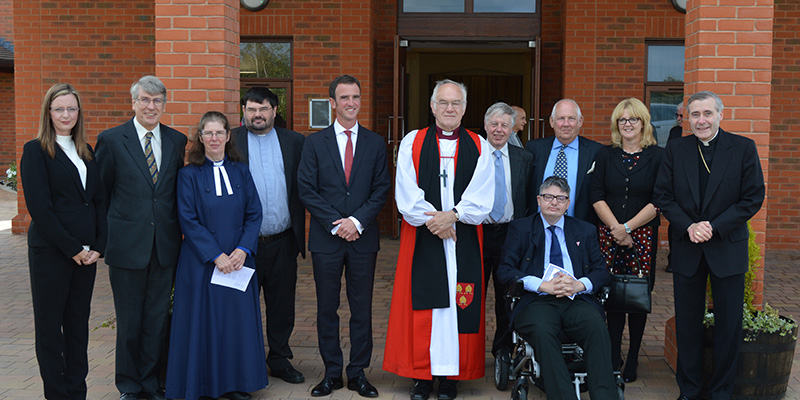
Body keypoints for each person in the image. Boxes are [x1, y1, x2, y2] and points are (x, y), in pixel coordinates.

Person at [384, 79, 494, 400]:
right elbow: (406, 193)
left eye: (456, 103)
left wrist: (454, 215)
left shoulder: (479, 145)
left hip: (463, 238)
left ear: (464, 108)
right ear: (432, 107)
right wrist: (438, 221)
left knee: (458, 306)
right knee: (426, 308)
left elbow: (482, 194)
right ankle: (422, 377)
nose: (449, 108)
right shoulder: (412, 142)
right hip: (423, 237)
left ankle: (450, 379)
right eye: (443, 103)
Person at [654, 91, 765, 400]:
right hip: (687, 246)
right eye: (695, 115)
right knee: (688, 326)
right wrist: (689, 225)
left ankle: (721, 392)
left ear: (720, 115)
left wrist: (713, 227)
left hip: (727, 246)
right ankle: (689, 390)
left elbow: (753, 197)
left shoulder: (743, 148)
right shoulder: (676, 149)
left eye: (707, 113)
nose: (701, 120)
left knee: (729, 327)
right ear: (687, 118)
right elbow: (663, 196)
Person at [297, 75, 390, 398]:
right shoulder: (314, 143)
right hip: (327, 239)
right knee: (327, 308)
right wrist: (337, 224)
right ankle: (332, 372)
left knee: (361, 308)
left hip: (363, 239)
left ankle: (358, 372)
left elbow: (381, 190)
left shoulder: (375, 143)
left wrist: (356, 221)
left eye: (356, 97)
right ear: (333, 103)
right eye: (344, 97)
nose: (351, 103)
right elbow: (306, 189)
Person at [96, 75, 187, 400]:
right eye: (145, 100)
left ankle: (152, 382)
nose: (151, 106)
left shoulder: (178, 141)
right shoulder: (111, 140)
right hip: (126, 247)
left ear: (164, 104)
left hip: (164, 247)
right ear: (133, 102)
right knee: (130, 320)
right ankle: (130, 385)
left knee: (157, 318)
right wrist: (104, 241)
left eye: (157, 100)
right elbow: (102, 195)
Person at [165, 111, 266, 400]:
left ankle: (235, 384)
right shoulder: (187, 175)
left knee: (235, 324)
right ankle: (203, 385)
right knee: (204, 324)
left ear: (228, 135)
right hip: (201, 263)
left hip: (237, 262)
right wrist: (215, 255)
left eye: (219, 132)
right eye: (208, 133)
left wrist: (242, 250)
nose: (214, 138)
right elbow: (187, 219)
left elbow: (254, 213)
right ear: (200, 137)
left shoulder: (241, 171)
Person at [21, 83, 106, 400]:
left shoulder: (87, 150)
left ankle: (76, 391)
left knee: (77, 326)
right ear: (48, 113)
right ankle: (57, 394)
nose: (66, 114)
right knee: (50, 328)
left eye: (71, 108)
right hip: (52, 253)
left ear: (79, 112)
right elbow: (40, 208)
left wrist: (98, 245)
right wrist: (73, 249)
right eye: (59, 109)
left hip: (87, 256)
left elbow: (97, 201)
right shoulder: (36, 151)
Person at [497, 176, 617, 399]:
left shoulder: (585, 230)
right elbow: (505, 270)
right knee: (543, 331)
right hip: (535, 301)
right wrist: (542, 285)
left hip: (576, 300)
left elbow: (601, 272)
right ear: (539, 200)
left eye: (560, 198)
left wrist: (579, 284)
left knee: (596, 327)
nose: (554, 202)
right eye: (549, 197)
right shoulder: (520, 228)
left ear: (568, 203)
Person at [232, 87, 306, 384]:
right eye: (251, 109)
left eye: (263, 109)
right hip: (242, 245)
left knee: (282, 304)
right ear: (244, 111)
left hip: (283, 240)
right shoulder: (231, 141)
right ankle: (240, 362)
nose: (257, 115)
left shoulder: (295, 142)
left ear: (275, 110)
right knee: (240, 305)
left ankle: (279, 358)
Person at [590, 98, 664, 383]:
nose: (628, 124)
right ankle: (612, 356)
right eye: (622, 120)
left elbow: (659, 199)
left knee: (636, 297)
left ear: (643, 123)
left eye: (633, 119)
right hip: (608, 236)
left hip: (643, 237)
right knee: (611, 297)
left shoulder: (658, 156)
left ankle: (632, 358)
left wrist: (628, 228)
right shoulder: (605, 155)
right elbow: (596, 194)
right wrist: (616, 228)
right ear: (616, 124)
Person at [479, 102, 534, 364]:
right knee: (470, 294)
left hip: (511, 235)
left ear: (512, 128)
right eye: (494, 124)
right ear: (486, 126)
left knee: (507, 296)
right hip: (477, 234)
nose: (499, 130)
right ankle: (468, 351)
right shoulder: (473, 155)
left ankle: (502, 349)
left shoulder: (524, 158)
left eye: (504, 125)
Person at [526, 99, 603, 223]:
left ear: (580, 121)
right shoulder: (534, 149)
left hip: (579, 228)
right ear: (552, 121)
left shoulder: (596, 152)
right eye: (561, 118)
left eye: (571, 118)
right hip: (538, 228)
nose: (566, 124)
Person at [664, 102, 684, 273]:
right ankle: (673, 259)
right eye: (677, 115)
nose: (678, 119)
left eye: (682, 116)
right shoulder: (675, 132)